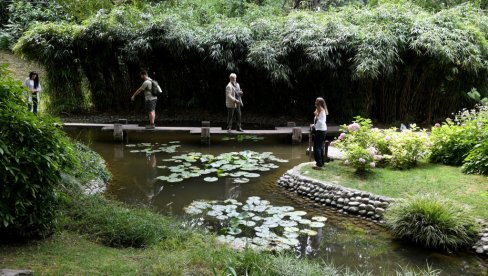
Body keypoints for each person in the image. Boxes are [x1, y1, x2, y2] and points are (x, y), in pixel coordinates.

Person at [312, 97, 328, 169]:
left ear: (319, 103)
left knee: (317, 147)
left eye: (316, 101)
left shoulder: (321, 111)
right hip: (320, 130)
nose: (315, 102)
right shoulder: (319, 109)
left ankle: (319, 164)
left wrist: (316, 115)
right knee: (320, 147)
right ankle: (321, 163)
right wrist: (314, 125)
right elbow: (318, 121)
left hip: (321, 131)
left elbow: (321, 122)